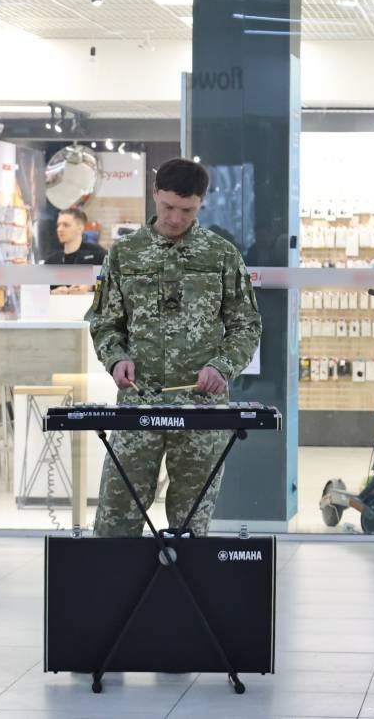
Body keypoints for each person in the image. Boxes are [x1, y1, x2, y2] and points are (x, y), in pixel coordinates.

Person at [87, 157, 262, 537]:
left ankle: (182, 578)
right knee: (117, 516)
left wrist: (222, 365)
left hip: (202, 408)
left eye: (187, 210)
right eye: (168, 207)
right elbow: (104, 322)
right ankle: (116, 577)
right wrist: (116, 359)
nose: (175, 218)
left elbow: (246, 325)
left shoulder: (221, 255)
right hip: (139, 403)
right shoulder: (125, 254)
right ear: (154, 195)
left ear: (201, 204)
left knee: (191, 525)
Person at [44, 207, 106, 293]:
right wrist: (52, 292)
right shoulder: (51, 261)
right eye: (58, 225)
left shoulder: (97, 254)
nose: (60, 229)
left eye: (66, 225)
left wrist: (90, 287)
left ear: (80, 228)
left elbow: (112, 282)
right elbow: (38, 291)